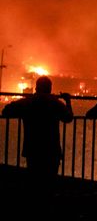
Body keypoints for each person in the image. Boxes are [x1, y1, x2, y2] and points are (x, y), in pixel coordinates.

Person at [1, 76, 73, 213]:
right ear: (50, 88)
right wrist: (68, 101)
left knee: (34, 184)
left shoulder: (28, 102)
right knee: (49, 185)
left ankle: (33, 212)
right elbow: (68, 117)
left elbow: (6, 111)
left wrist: (26, 99)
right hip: (52, 151)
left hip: (33, 150)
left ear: (36, 88)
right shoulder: (55, 103)